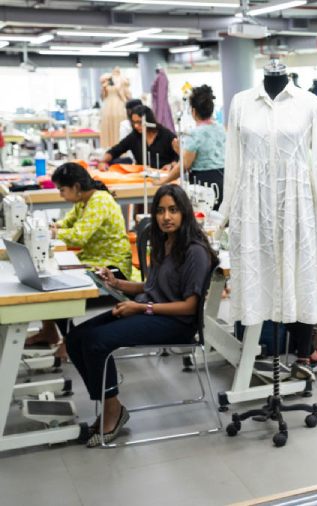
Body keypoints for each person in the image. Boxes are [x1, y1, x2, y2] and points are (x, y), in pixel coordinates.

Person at [66, 184, 217, 447]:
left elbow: (190, 307)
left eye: (173, 210)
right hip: (151, 311)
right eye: (160, 211)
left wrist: (141, 308)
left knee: (96, 341)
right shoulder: (165, 242)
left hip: (176, 323)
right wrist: (117, 284)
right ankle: (110, 403)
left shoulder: (195, 251)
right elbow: (151, 288)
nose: (166, 217)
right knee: (76, 337)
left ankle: (113, 411)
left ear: (185, 213)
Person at [25, 163, 133, 348]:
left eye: (62, 189)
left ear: (76, 187)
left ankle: (69, 341)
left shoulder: (100, 201)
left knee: (56, 283)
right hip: (92, 259)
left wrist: (48, 233)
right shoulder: (83, 202)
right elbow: (66, 224)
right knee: (48, 276)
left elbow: (79, 236)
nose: (60, 194)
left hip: (112, 266)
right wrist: (51, 227)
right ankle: (50, 330)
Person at [162, 85, 225, 210]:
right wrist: (182, 151)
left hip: (204, 185)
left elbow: (185, 164)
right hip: (223, 181)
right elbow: (204, 156)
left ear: (193, 111)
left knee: (203, 222)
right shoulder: (221, 129)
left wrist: (163, 181)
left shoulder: (194, 134)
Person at [99, 105, 178, 171]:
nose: (136, 126)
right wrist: (102, 162)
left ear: (148, 121)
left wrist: (172, 165)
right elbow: (115, 150)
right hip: (142, 178)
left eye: (139, 122)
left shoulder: (166, 135)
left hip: (165, 176)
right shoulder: (134, 137)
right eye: (134, 122)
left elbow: (180, 155)